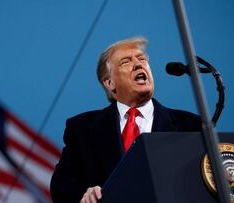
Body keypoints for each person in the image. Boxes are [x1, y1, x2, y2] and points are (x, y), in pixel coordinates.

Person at [50, 36, 201, 203]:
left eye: (142, 59)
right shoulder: (82, 128)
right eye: (126, 62)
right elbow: (61, 186)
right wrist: (84, 196)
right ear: (109, 83)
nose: (138, 64)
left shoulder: (191, 126)